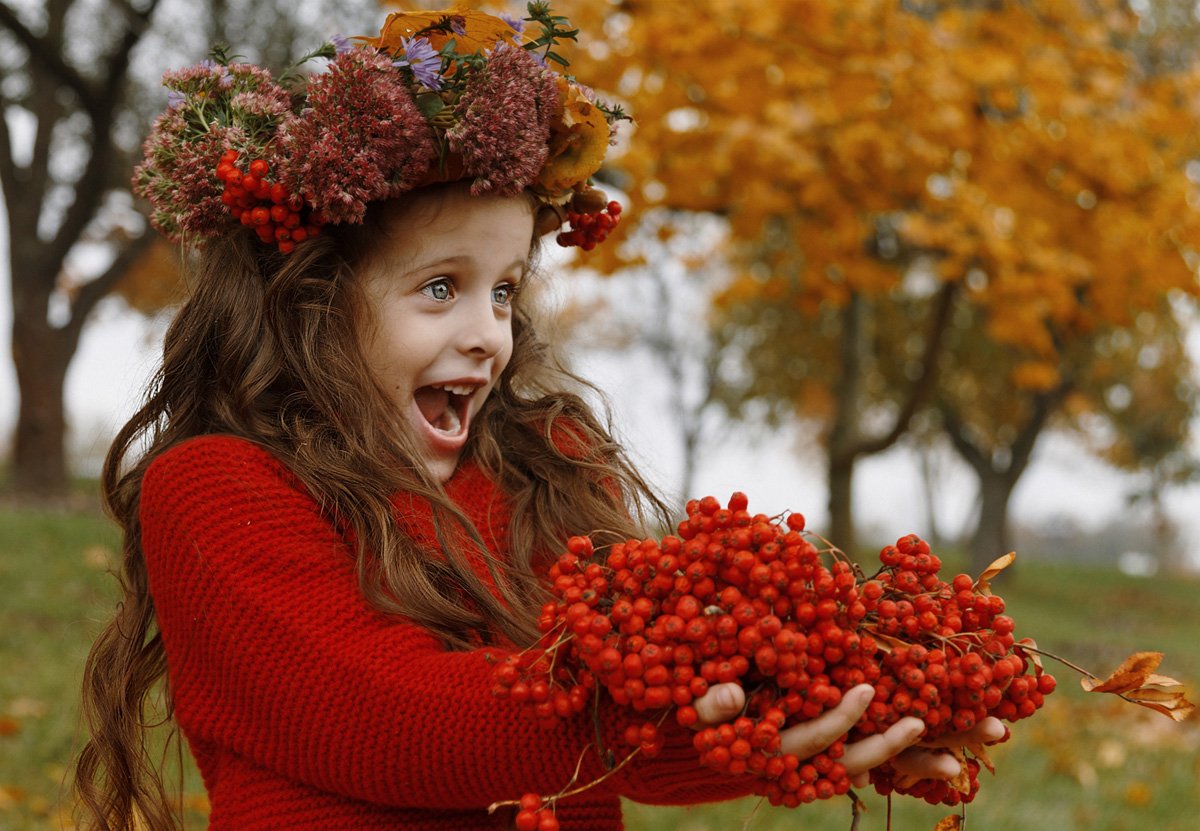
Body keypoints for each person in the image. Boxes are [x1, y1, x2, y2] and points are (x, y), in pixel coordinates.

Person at [74, 6, 1002, 830]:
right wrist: (700, 708)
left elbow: (621, 714)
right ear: (310, 302)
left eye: (506, 290)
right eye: (441, 288)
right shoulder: (218, 490)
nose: (490, 333)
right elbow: (394, 723)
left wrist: (811, 705)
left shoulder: (542, 467)